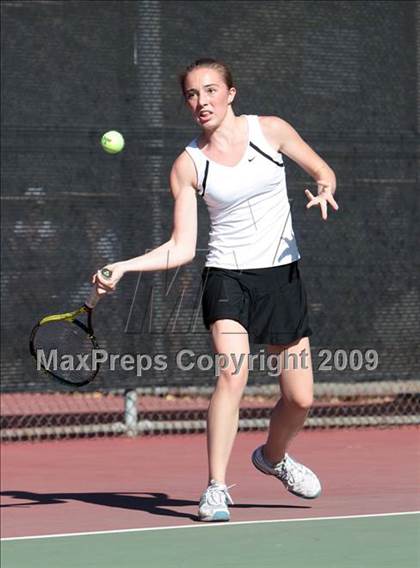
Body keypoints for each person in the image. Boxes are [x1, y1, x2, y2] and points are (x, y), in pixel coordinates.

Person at [94, 58, 338, 522]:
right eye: (191, 94)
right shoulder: (188, 165)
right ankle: (216, 488)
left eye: (210, 91)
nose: (201, 101)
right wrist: (123, 266)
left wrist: (324, 186)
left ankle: (273, 458)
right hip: (226, 277)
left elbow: (322, 171)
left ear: (231, 93)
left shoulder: (272, 132)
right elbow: (181, 247)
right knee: (233, 375)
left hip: (281, 276)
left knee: (301, 397)